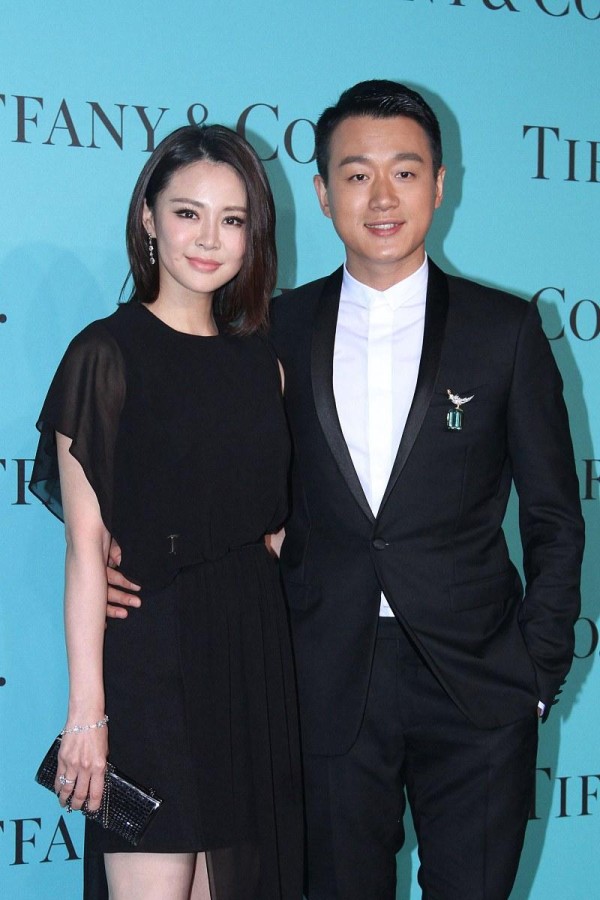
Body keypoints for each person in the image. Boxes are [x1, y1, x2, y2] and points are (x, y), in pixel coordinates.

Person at [106, 81, 585, 899]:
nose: (382, 197)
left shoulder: (504, 331)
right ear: (324, 194)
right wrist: (130, 554)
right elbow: (208, 482)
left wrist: (535, 675)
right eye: (357, 175)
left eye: (406, 172)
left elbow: (554, 518)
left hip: (478, 687)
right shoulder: (270, 332)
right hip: (319, 682)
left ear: (440, 184)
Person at [30, 124, 303, 900]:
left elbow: (279, 520)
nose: (209, 239)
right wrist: (89, 715)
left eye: (232, 219)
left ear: (254, 233)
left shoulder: (266, 364)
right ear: (149, 218)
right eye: (188, 213)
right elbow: (86, 549)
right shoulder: (104, 355)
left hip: (250, 661)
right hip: (150, 662)